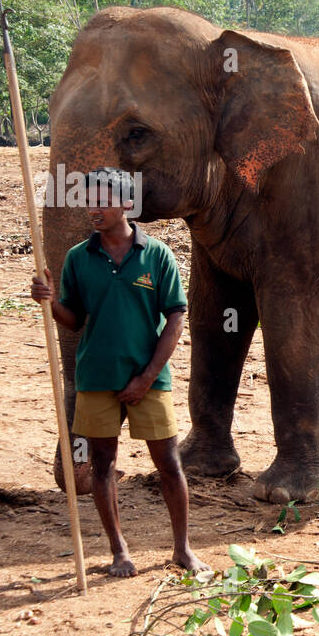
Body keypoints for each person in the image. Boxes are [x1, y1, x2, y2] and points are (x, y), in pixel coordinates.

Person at [30, 168, 207, 577]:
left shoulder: (157, 255)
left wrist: (147, 376)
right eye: (89, 201)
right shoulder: (78, 257)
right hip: (97, 377)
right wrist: (49, 300)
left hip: (151, 380)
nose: (94, 209)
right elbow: (73, 321)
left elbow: (176, 315)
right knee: (103, 466)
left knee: (169, 465)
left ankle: (182, 549)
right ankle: (119, 550)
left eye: (103, 201)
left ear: (128, 204)